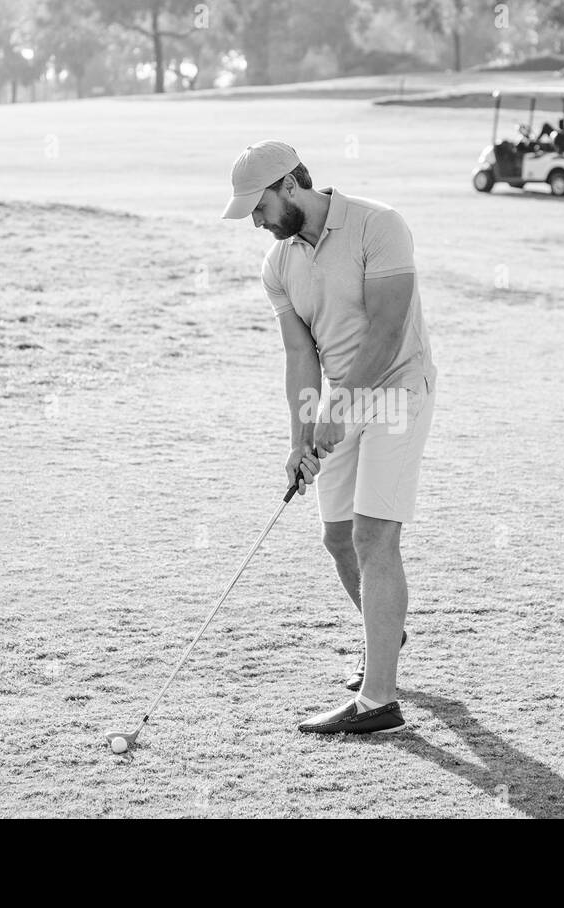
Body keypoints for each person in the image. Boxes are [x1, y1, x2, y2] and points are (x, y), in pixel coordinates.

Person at [221, 141, 438, 735]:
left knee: (373, 535)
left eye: (260, 206)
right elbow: (300, 355)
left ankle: (380, 702)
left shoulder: (379, 224)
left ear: (291, 185)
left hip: (397, 391)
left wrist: (337, 407)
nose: (257, 221)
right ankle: (385, 637)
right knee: (337, 537)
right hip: (340, 402)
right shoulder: (278, 264)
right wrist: (299, 439)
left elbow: (390, 329)